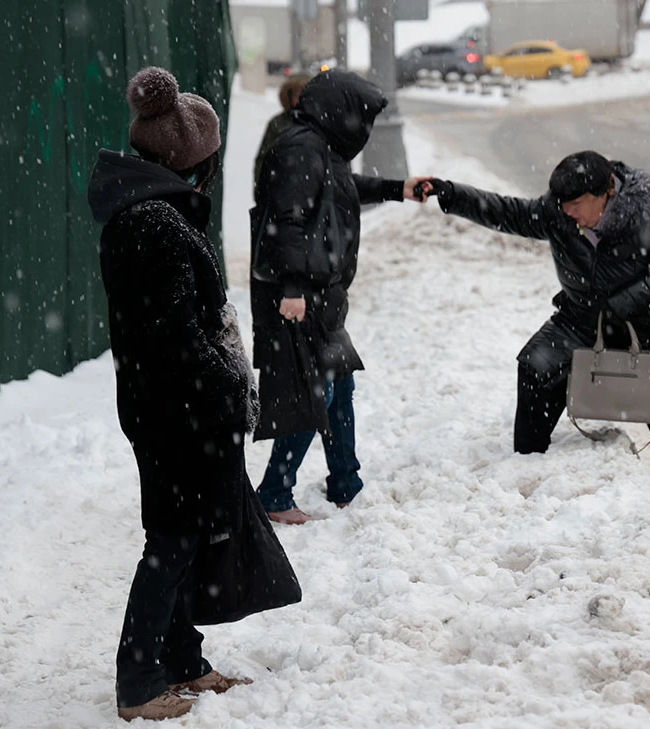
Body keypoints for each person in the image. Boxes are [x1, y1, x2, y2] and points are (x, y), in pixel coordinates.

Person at [419, 151, 650, 537]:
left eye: (576, 205)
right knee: (536, 367)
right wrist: (451, 193)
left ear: (607, 192)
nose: (568, 213)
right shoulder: (559, 213)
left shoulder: (646, 217)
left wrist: (621, 305)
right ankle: (528, 465)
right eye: (562, 205)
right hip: (585, 317)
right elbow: (508, 211)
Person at [89, 67, 258, 721]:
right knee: (171, 540)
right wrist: (232, 383)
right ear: (193, 160)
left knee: (188, 536)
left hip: (172, 404)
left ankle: (182, 659)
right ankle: (138, 682)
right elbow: (177, 340)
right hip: (172, 410)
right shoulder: (153, 223)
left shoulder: (152, 211)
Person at [251, 69, 430, 525]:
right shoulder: (298, 149)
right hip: (301, 297)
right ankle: (273, 493)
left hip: (323, 294)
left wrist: (398, 189)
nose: (363, 127)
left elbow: (341, 189)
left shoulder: (320, 147)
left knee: (339, 385)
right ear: (341, 110)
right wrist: (292, 289)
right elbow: (286, 222)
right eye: (361, 116)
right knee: (318, 392)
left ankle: (345, 483)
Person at [252, 72, 312, 195]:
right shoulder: (277, 124)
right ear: (289, 96)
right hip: (280, 193)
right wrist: (261, 190)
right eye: (297, 94)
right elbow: (263, 159)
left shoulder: (319, 123)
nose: (300, 99)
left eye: (305, 93)